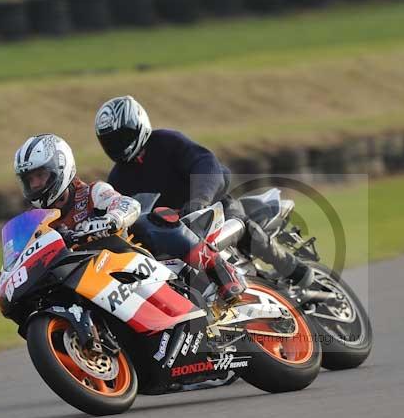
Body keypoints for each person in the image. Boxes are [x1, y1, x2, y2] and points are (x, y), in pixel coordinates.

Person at [94, 95, 313, 289]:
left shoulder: (167, 142)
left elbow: (205, 164)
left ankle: (292, 267)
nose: (117, 146)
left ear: (139, 124)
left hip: (212, 210)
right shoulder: (117, 179)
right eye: (110, 141)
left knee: (240, 227)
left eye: (122, 137)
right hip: (174, 235)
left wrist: (200, 200)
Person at [13, 133, 244, 304]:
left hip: (129, 258)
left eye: (40, 175)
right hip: (89, 279)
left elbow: (127, 204)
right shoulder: (40, 221)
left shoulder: (92, 192)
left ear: (60, 167)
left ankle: (220, 270)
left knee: (151, 221)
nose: (35, 184)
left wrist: (112, 219)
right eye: (29, 180)